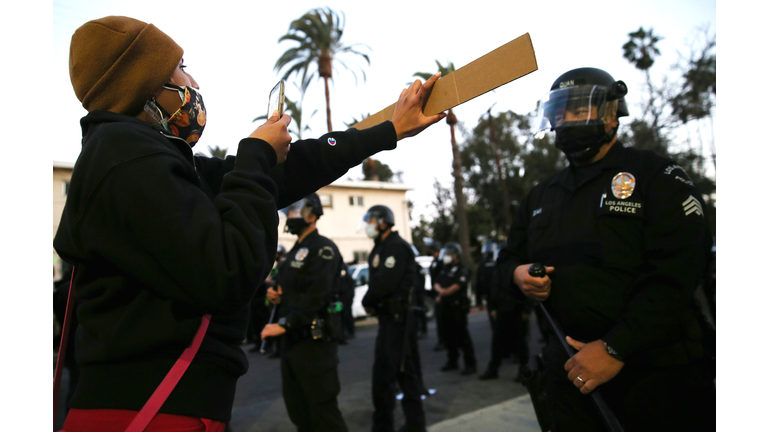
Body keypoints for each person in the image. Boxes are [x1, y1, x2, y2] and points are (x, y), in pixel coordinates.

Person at [54, 15, 445, 431]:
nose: (194, 84)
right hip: (150, 411)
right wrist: (256, 156)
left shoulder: (146, 158)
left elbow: (291, 170)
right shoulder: (127, 157)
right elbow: (229, 270)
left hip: (158, 405)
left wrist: (388, 130)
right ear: (144, 85)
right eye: (181, 68)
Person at [496, 67, 715, 431]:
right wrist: (517, 275)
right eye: (560, 112)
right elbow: (507, 259)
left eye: (577, 109)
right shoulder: (541, 194)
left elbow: (677, 270)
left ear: (612, 114)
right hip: (570, 377)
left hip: (658, 374)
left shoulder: (656, 175)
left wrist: (616, 347)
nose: (566, 119)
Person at [260, 193, 348, 432]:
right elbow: (292, 289)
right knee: (299, 411)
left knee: (323, 413)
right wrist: (277, 295)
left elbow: (318, 295)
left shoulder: (324, 249)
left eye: (296, 210)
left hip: (314, 343)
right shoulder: (294, 251)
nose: (290, 215)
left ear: (311, 215)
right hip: (293, 344)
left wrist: (286, 323)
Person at [361, 205, 426, 432]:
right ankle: (406, 424)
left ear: (382, 222)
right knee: (397, 373)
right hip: (390, 319)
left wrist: (366, 301)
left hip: (400, 320)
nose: (368, 225)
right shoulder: (382, 247)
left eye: (371, 221)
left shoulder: (396, 247)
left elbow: (383, 283)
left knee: (393, 374)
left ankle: (399, 425)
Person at [434, 243, 477, 375]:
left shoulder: (462, 269)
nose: (446, 257)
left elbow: (458, 285)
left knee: (462, 336)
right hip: (445, 307)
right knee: (449, 337)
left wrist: (444, 292)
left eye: (449, 255)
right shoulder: (444, 268)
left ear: (456, 256)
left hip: (458, 307)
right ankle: (452, 361)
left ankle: (470, 364)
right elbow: (436, 282)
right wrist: (441, 290)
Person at [423, 239, 446, 351]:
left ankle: (445, 341)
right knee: (439, 320)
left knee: (443, 320)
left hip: (440, 294)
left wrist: (440, 294)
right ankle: (442, 340)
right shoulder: (434, 262)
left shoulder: (441, 262)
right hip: (435, 293)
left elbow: (441, 280)